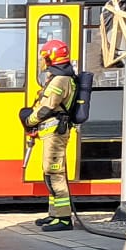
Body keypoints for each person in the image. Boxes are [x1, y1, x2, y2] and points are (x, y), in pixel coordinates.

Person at [21, 39, 77, 231]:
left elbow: (47, 108)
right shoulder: (57, 78)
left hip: (55, 134)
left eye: (45, 57)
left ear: (53, 57)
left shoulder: (60, 80)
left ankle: (63, 219)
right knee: (49, 173)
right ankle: (54, 214)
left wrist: (30, 121)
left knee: (55, 173)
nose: (42, 61)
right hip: (50, 133)